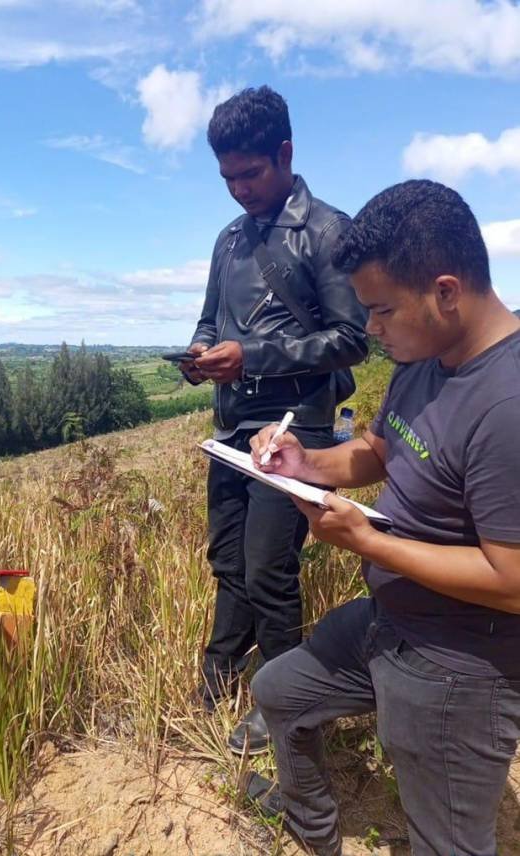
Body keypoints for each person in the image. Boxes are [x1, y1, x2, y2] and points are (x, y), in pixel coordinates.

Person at [247, 180, 520, 856]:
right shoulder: (424, 358)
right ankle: (311, 828)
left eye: (381, 310)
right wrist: (302, 464)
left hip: (461, 665)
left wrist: (367, 540)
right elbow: (378, 450)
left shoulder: (507, 405)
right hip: (390, 621)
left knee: (446, 841)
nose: (369, 328)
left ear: (446, 292)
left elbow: (512, 580)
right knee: (279, 691)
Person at [182, 86, 368, 752]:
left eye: (250, 173)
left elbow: (352, 337)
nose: (238, 190)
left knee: (268, 568)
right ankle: (219, 671)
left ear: (285, 153)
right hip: (231, 423)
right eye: (227, 177)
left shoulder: (327, 232)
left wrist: (253, 355)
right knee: (227, 560)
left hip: (297, 427)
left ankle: (283, 697)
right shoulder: (228, 240)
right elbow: (210, 319)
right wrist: (200, 356)